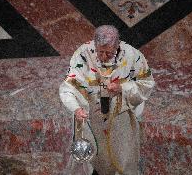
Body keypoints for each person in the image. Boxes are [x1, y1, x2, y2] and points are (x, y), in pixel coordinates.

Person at [59, 25, 155, 175]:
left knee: (123, 157)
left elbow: (147, 83)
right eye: (100, 52)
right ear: (95, 44)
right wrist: (76, 108)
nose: (103, 57)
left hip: (120, 116)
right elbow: (69, 85)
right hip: (92, 115)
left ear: (117, 45)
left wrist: (123, 88)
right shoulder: (83, 55)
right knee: (94, 159)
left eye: (109, 53)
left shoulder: (132, 55)